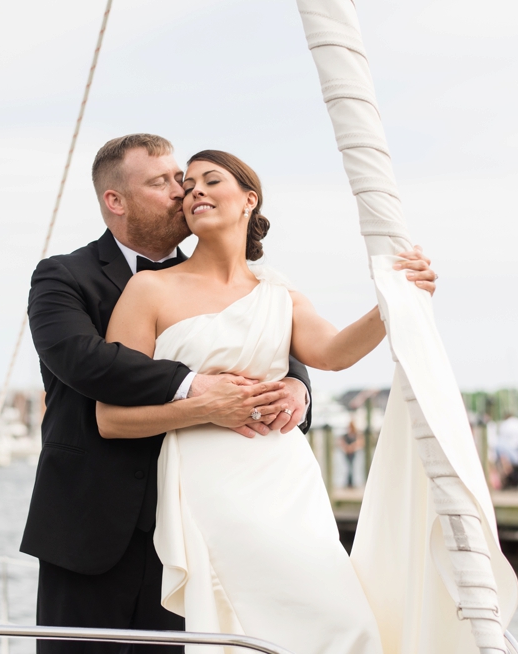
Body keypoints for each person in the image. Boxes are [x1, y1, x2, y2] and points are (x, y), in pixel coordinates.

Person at [96, 150, 437, 654]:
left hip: (286, 477)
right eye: (188, 187)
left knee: (340, 616)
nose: (195, 193)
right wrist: (206, 409)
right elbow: (110, 418)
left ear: (248, 200)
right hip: (210, 481)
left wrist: (396, 299)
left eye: (211, 181)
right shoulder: (148, 290)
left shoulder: (280, 294)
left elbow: (335, 353)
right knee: (244, 621)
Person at [21, 134, 315, 654]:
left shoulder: (237, 284)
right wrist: (196, 386)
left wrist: (296, 382)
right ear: (116, 201)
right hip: (91, 527)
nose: (182, 192)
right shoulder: (64, 276)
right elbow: (81, 359)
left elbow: (260, 341)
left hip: (195, 526)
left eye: (182, 179)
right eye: (162, 183)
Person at [495, 413, 518, 489]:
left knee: (499, 449)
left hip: (509, 454)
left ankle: (506, 475)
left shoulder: (505, 425)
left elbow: (501, 441)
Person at [339, 421, 364, 488]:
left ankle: (351, 483)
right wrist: (347, 448)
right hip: (347, 454)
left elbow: (360, 443)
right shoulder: (346, 435)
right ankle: (349, 483)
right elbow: (341, 443)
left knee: (352, 468)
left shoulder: (355, 435)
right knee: (347, 468)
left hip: (353, 454)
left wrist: (351, 447)